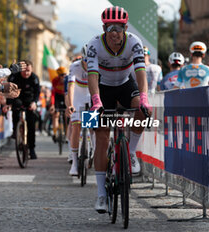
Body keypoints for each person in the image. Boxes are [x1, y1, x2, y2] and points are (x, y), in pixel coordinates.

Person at [87, 6, 151, 213]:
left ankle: (130, 153)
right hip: (102, 88)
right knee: (102, 138)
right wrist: (96, 101)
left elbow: (140, 72)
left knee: (143, 112)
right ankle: (101, 196)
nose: (115, 32)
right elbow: (92, 76)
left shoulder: (135, 42)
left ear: (125, 27)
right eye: (110, 28)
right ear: (104, 28)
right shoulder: (94, 45)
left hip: (125, 84)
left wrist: (144, 98)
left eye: (119, 27)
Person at [66, 45, 92, 175]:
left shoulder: (97, 65)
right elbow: (70, 87)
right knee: (76, 126)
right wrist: (70, 104)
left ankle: (92, 150)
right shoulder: (75, 66)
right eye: (85, 60)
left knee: (92, 127)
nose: (88, 63)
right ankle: (75, 163)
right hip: (78, 97)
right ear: (82, 58)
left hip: (91, 95)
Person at [8, 60, 40, 159]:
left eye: (28, 71)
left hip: (29, 100)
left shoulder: (34, 78)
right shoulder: (14, 77)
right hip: (17, 99)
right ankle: (15, 130)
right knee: (15, 108)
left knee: (31, 125)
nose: (26, 73)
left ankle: (32, 149)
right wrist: (8, 104)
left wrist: (34, 102)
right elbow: (8, 90)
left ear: (32, 70)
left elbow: (37, 92)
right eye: (24, 71)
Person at [50, 66, 68, 143]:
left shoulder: (67, 79)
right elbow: (53, 94)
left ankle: (67, 135)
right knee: (56, 114)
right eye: (61, 75)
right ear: (58, 75)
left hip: (65, 96)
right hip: (57, 96)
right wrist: (52, 105)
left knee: (66, 116)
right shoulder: (55, 80)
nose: (63, 77)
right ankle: (55, 133)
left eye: (64, 75)